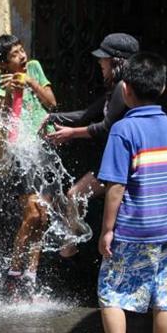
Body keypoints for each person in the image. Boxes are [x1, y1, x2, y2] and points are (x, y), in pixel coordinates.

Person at [87, 52, 167, 333]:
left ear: (125, 89)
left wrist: (107, 230)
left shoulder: (123, 130)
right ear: (162, 88)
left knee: (111, 291)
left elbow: (116, 186)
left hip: (133, 229)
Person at [44, 33, 139, 256]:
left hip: (121, 164)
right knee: (74, 196)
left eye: (103, 58)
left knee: (75, 195)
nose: (100, 62)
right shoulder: (114, 90)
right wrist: (52, 117)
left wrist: (72, 134)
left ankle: (73, 247)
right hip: (110, 162)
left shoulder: (124, 88)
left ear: (116, 61)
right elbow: (86, 114)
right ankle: (75, 245)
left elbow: (106, 127)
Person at [0, 34, 57, 299]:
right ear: (4, 64)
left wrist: (30, 82)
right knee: (31, 215)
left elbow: (51, 102)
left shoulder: (34, 68)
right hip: (21, 152)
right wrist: (10, 91)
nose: (22, 56)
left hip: (44, 146)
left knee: (43, 217)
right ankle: (14, 272)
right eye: (15, 55)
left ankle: (31, 275)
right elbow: (5, 119)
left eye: (21, 50)